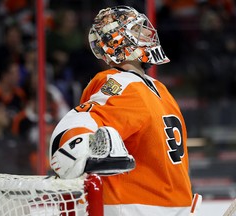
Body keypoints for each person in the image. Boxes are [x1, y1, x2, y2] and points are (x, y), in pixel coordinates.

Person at [49, 6, 192, 216]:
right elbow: (80, 123)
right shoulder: (120, 84)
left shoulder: (157, 88)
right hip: (135, 208)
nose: (147, 33)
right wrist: (76, 145)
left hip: (169, 208)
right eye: (137, 30)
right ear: (118, 41)